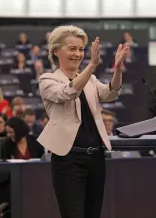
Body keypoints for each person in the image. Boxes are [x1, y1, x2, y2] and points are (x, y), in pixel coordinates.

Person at [38, 25, 129, 218]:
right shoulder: (47, 80)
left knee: (93, 213)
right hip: (68, 159)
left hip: (96, 157)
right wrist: (92, 65)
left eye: (81, 49)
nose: (78, 54)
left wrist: (118, 70)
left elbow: (110, 93)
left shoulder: (90, 79)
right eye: (72, 48)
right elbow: (69, 92)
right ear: (56, 50)